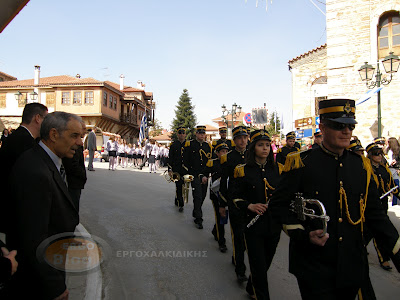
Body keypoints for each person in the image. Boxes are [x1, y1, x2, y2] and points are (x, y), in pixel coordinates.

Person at [269, 99, 400, 300]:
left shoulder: (361, 167)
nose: (346, 131)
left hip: (351, 263)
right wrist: (304, 235)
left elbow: (377, 216)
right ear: (322, 127)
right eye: (339, 126)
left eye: (350, 126)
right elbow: (278, 207)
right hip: (313, 264)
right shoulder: (301, 163)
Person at [7, 111, 81, 300]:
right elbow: (33, 238)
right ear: (54, 134)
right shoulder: (36, 171)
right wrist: (54, 286)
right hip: (37, 283)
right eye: (74, 136)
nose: (80, 142)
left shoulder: (45, 162)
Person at [232, 129, 282, 299]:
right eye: (261, 145)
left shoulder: (279, 170)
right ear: (253, 148)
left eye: (268, 145)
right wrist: (250, 206)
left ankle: (251, 286)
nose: (265, 148)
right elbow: (235, 197)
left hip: (274, 225)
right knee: (259, 265)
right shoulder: (242, 170)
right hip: (252, 225)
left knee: (266, 262)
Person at [0, 103, 48, 233]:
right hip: (16, 212)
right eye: (46, 119)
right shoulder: (23, 141)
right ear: (37, 118)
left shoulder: (22, 138)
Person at [219, 125, 249, 283]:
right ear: (234, 140)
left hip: (250, 202)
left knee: (246, 236)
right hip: (235, 201)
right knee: (238, 235)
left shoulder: (252, 155)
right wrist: (222, 204)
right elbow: (224, 182)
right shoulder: (228, 158)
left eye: (245, 138)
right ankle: (240, 270)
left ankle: (237, 257)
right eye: (239, 138)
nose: (242, 141)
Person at [364, 142, 399, 272]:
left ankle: (383, 258)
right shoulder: (366, 169)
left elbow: (391, 187)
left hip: (382, 206)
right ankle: (359, 251)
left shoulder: (384, 170)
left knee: (379, 232)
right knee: (368, 232)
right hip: (370, 206)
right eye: (376, 154)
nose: (379, 156)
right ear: (370, 155)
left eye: (380, 153)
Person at [200, 141, 230, 252]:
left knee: (224, 216)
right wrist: (203, 177)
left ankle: (215, 230)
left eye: (226, 151)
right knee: (220, 216)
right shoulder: (212, 163)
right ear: (217, 153)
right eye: (222, 151)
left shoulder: (230, 162)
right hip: (216, 194)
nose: (225, 153)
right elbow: (203, 172)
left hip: (228, 193)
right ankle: (221, 242)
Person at [183, 125, 212, 229]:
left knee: (203, 195)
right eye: (200, 133)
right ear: (196, 134)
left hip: (205, 175)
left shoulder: (208, 146)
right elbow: (185, 161)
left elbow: (209, 161)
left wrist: (207, 174)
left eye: (203, 133)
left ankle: (196, 211)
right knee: (198, 195)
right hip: (194, 174)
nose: (202, 135)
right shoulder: (190, 144)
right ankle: (199, 219)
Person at [62, 121, 87, 213]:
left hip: (76, 181)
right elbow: (73, 164)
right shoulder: (74, 145)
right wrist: (81, 174)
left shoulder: (78, 143)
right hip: (73, 181)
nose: (85, 131)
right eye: (83, 129)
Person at [167, 127, 187, 212]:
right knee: (178, 185)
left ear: (185, 134)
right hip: (176, 169)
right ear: (177, 134)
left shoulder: (188, 145)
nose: (181, 135)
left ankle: (177, 198)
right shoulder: (174, 145)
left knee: (183, 186)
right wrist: (169, 169)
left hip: (186, 169)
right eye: (180, 133)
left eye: (183, 133)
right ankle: (180, 203)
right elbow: (170, 158)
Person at [386, 137, 400, 205]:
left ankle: (396, 200)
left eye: (388, 142)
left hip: (395, 169)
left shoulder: (398, 150)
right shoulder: (388, 149)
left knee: (396, 184)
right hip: (389, 168)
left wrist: (397, 165)